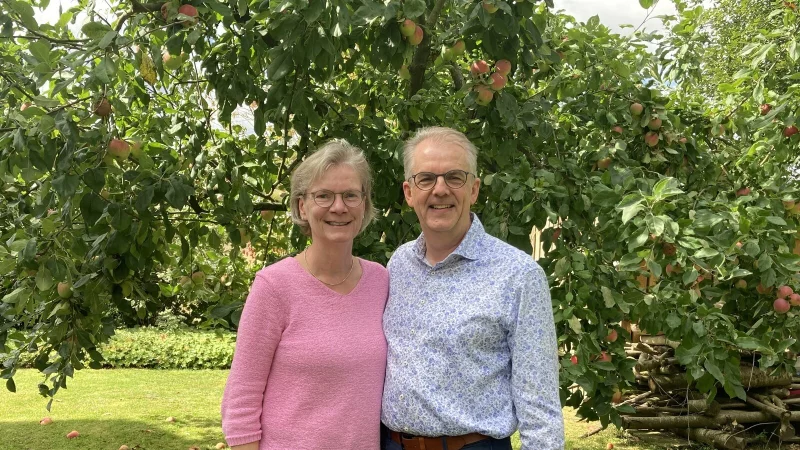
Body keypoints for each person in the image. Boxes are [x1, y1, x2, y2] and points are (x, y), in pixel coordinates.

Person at [381, 127, 564, 450]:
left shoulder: (518, 275)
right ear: (409, 192)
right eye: (426, 179)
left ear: (474, 189)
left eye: (455, 177)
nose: (440, 190)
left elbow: (541, 408)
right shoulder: (398, 265)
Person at [221, 140, 388, 450]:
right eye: (323, 195)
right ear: (302, 206)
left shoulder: (381, 282)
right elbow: (241, 400)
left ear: (364, 204)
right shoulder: (274, 286)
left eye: (350, 195)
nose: (339, 207)